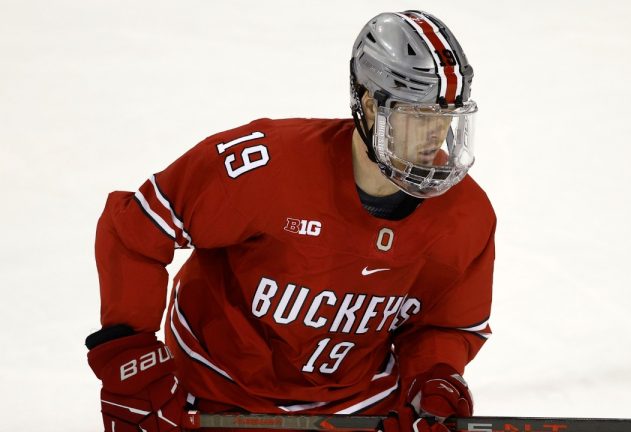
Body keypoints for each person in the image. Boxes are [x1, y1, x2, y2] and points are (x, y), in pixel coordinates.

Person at [86, 10, 496, 432]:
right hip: (211, 390)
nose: (438, 132)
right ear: (372, 107)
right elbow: (136, 229)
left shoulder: (466, 216)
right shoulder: (265, 167)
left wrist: (434, 378)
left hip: (360, 407)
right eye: (422, 114)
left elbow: (445, 325)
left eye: (449, 116)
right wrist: (131, 360)